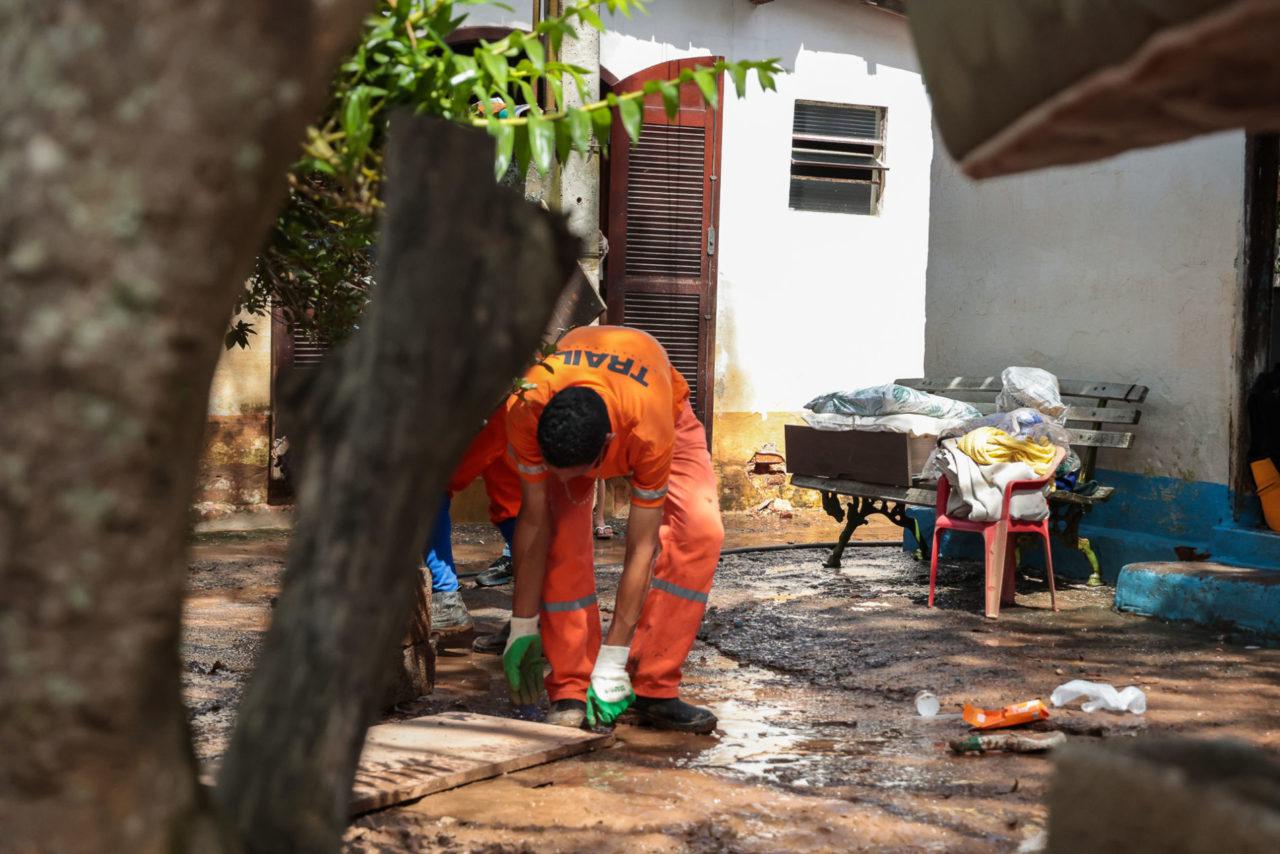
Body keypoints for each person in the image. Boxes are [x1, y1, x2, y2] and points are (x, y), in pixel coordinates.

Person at [501, 325, 724, 733]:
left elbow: (641, 547)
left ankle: (650, 684)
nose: (566, 484)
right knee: (563, 542)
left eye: (578, 475)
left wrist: (613, 658)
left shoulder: (649, 430)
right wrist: (522, 625)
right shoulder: (525, 405)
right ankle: (569, 686)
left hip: (660, 411)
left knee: (701, 532)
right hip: (586, 419)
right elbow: (534, 521)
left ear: (607, 449)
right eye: (558, 474)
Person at [424, 409, 521, 633]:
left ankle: (445, 598)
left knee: (427, 487)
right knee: (512, 505)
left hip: (476, 409)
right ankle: (534, 618)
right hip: (510, 408)